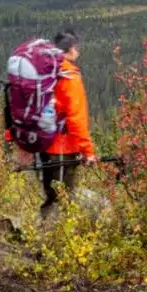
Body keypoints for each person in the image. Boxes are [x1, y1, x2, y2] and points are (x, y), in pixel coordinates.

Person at [39, 27, 97, 220]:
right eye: (76, 48)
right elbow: (76, 116)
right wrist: (87, 151)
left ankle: (42, 237)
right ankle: (52, 242)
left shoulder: (46, 71)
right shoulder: (69, 75)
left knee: (52, 194)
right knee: (62, 197)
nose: (78, 52)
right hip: (62, 146)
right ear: (70, 49)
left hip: (44, 143)